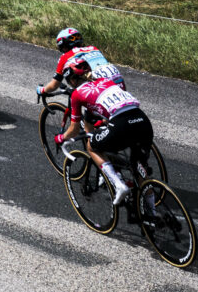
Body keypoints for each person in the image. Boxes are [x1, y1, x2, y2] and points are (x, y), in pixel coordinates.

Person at [55, 58, 157, 206]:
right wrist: (102, 121)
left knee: (92, 146)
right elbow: (108, 105)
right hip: (142, 120)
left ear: (72, 79)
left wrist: (61, 138)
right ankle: (152, 215)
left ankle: (118, 184)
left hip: (121, 124)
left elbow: (74, 129)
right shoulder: (105, 81)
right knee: (139, 171)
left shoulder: (76, 94)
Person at [36, 27, 123, 103]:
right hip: (117, 79)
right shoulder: (93, 48)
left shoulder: (65, 56)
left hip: (101, 85)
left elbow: (54, 85)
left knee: (88, 116)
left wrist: (42, 90)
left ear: (64, 46)